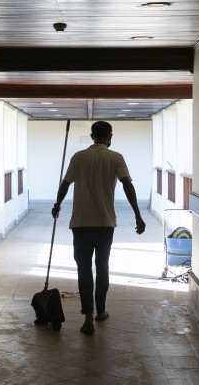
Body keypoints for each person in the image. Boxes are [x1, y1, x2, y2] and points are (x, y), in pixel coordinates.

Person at [51, 121, 146, 334]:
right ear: (110, 137)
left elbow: (65, 184)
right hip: (105, 223)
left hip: (81, 223)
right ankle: (100, 311)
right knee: (102, 267)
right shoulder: (115, 157)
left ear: (92, 135)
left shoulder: (78, 157)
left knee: (83, 269)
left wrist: (57, 206)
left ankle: (87, 318)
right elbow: (127, 184)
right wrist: (138, 216)